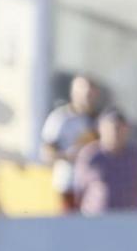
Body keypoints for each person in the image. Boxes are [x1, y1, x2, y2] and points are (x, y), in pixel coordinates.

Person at [42, 75, 102, 213]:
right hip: (69, 183)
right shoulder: (61, 118)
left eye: (91, 93)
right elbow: (47, 152)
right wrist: (71, 156)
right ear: (74, 93)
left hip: (95, 185)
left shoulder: (100, 119)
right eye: (84, 92)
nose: (87, 97)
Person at [72, 109, 137, 214]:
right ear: (100, 129)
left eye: (119, 128)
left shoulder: (136, 158)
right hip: (98, 220)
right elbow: (78, 192)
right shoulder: (90, 156)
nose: (115, 133)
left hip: (130, 220)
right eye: (111, 129)